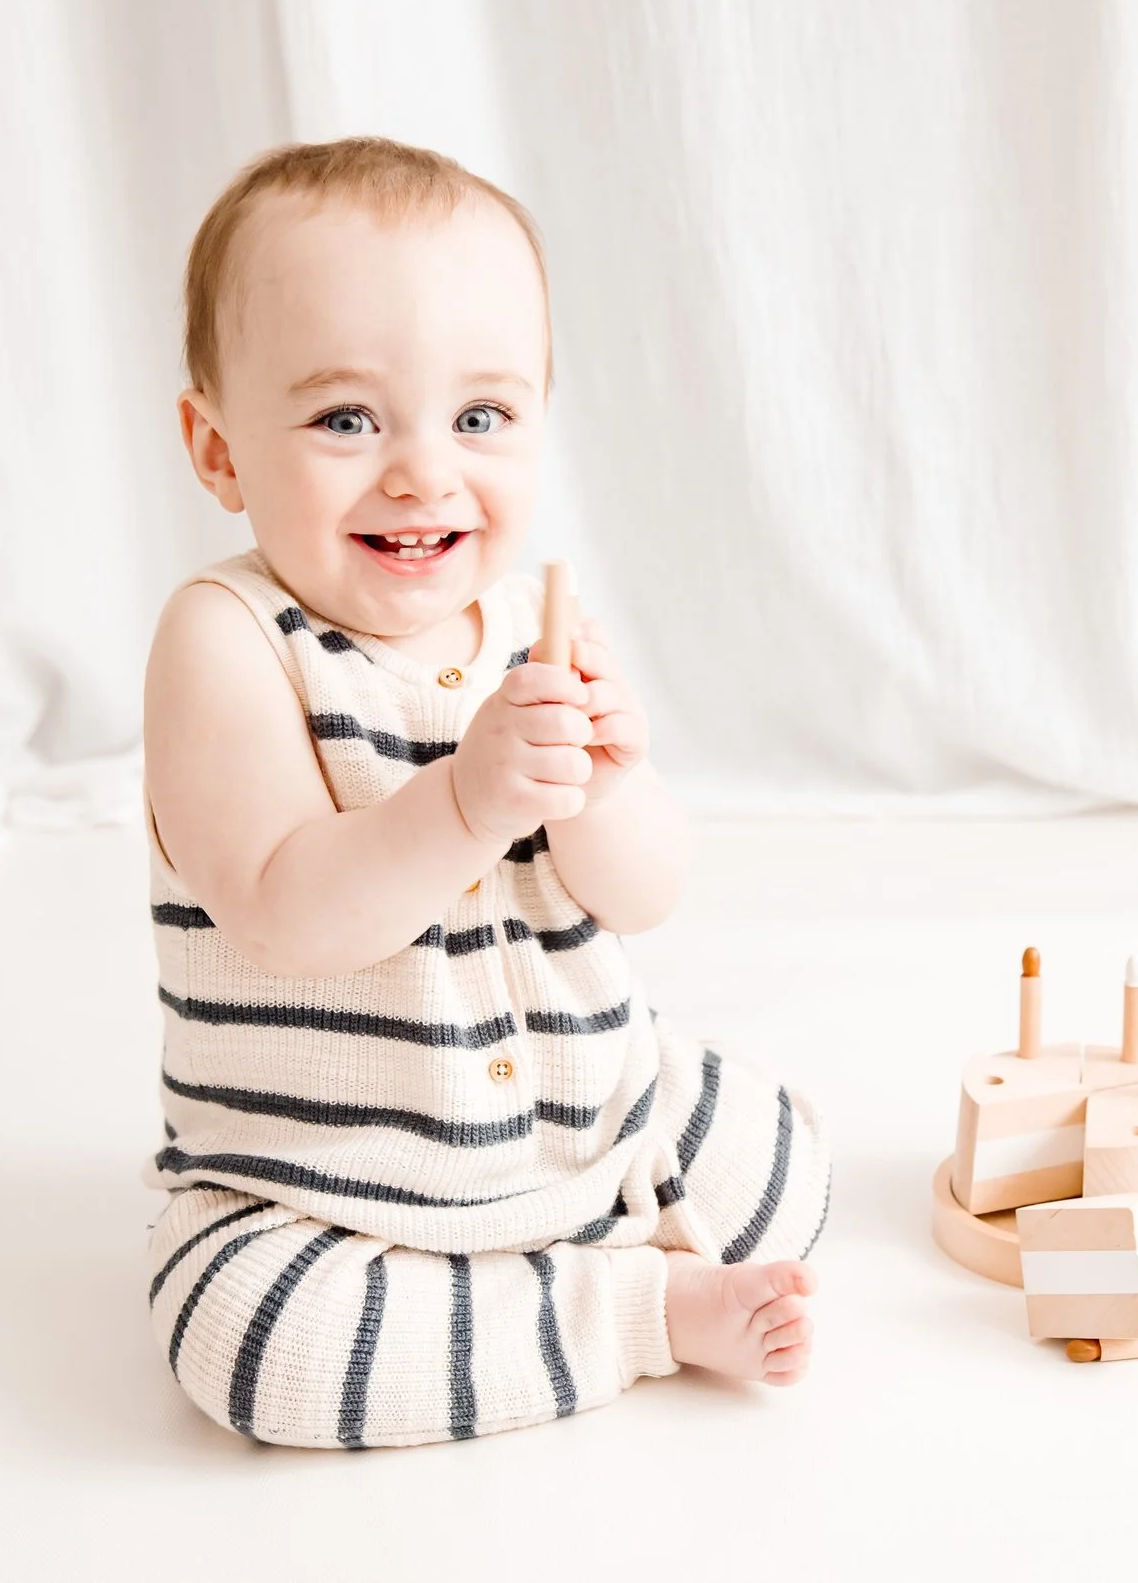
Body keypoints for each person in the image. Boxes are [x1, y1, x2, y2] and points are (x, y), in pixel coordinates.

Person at [138, 138, 830, 1448]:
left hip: (574, 1128)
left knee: (785, 1167)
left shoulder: (528, 620)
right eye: (348, 419)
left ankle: (588, 1231)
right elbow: (288, 911)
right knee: (255, 1350)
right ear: (217, 447)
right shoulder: (224, 639)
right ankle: (632, 1313)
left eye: (481, 417)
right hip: (327, 1188)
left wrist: (602, 790)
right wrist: (465, 799)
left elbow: (646, 890)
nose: (421, 471)